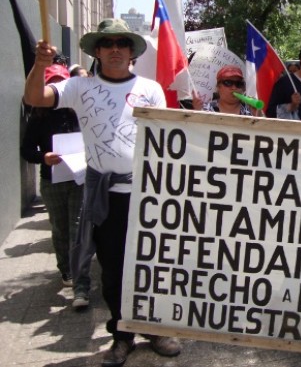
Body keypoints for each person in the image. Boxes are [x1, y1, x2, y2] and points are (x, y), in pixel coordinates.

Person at [24, 18, 181, 367]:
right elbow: (34, 96)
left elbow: (167, 140)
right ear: (97, 51)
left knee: (153, 265)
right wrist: (40, 65)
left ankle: (156, 329)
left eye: (121, 43)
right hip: (106, 197)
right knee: (113, 269)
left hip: (147, 194)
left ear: (131, 53)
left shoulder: (151, 88)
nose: (114, 49)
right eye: (107, 43)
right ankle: (122, 336)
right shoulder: (79, 87)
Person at [20, 64, 83, 293]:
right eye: (52, 82)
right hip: (52, 180)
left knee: (77, 226)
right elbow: (26, 150)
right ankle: (65, 270)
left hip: (78, 180)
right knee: (60, 228)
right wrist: (43, 157)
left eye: (61, 82)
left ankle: (79, 273)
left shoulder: (79, 111)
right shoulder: (38, 117)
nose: (57, 87)